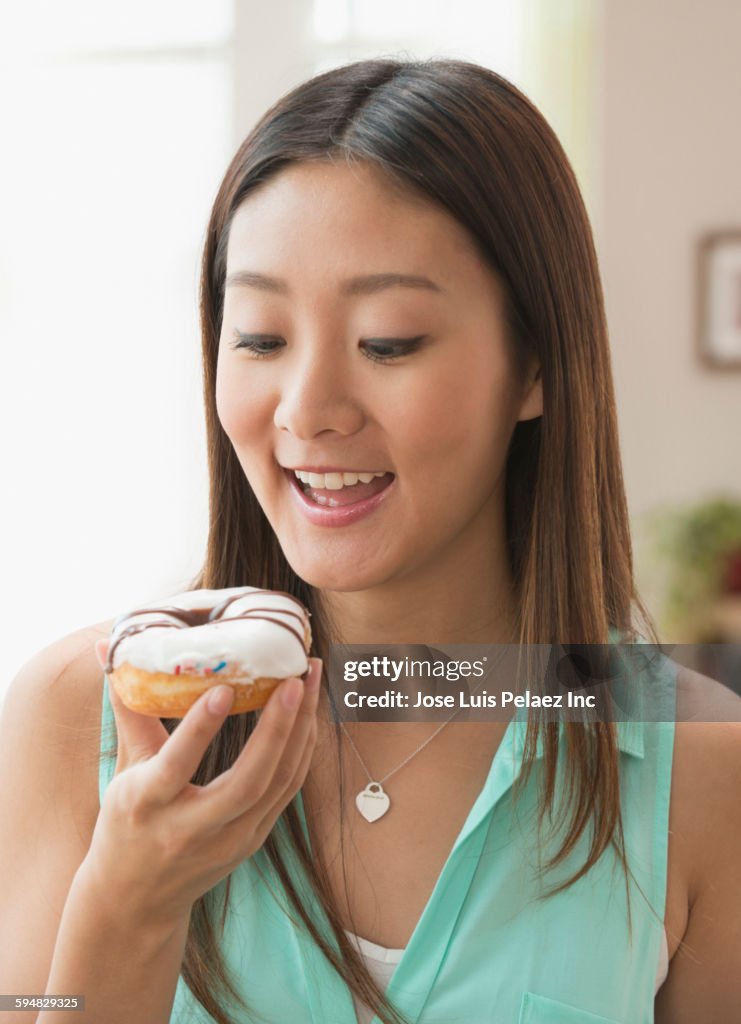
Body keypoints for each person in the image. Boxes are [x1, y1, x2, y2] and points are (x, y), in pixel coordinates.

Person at [1, 56, 740, 1024]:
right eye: (260, 338)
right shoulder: (76, 712)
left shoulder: (704, 763)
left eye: (389, 341)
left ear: (536, 369)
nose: (307, 411)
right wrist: (129, 904)